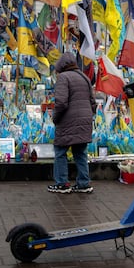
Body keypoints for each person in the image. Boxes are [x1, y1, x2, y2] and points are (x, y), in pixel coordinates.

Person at [49, 52, 97, 194]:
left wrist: (55, 118)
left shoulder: (63, 77)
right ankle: (84, 183)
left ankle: (62, 183)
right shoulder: (84, 77)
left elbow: (61, 103)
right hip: (84, 120)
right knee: (80, 152)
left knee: (60, 151)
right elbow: (93, 103)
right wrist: (87, 116)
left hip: (68, 121)